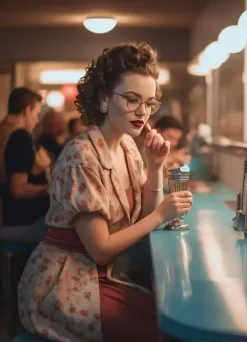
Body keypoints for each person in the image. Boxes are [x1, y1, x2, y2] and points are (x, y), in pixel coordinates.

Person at [18, 42, 192, 341]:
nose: (143, 112)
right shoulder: (81, 155)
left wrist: (155, 167)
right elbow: (100, 250)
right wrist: (162, 214)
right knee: (163, 330)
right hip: (65, 283)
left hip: (105, 276)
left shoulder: (127, 147)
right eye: (132, 99)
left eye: (149, 103)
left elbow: (145, 217)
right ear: (102, 97)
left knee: (172, 317)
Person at [0, 87, 50, 225]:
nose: (37, 120)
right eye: (36, 113)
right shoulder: (20, 136)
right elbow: (18, 189)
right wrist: (50, 188)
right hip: (21, 222)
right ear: (27, 110)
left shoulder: (4, 130)